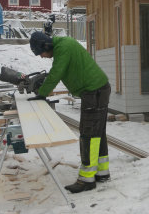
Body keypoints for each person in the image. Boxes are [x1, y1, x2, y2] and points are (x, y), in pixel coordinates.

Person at [29, 30, 111, 193]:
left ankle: (86, 180)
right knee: (97, 133)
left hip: (93, 91)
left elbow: (57, 72)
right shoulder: (63, 44)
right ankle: (102, 172)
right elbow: (57, 71)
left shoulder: (63, 48)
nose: (42, 57)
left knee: (88, 135)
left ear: (47, 45)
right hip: (98, 89)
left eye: (42, 53)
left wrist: (42, 93)